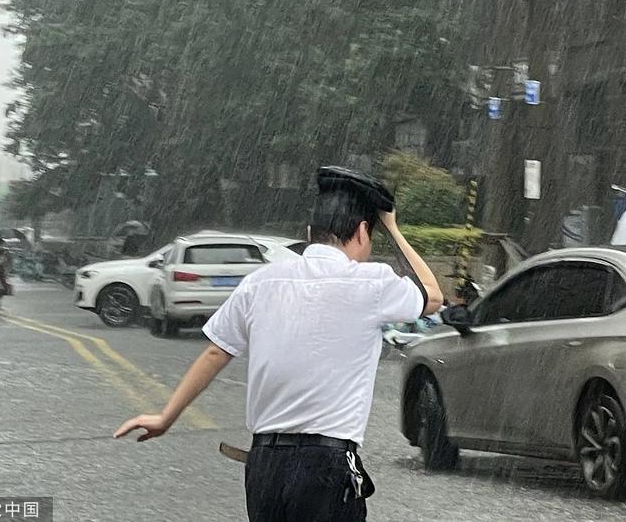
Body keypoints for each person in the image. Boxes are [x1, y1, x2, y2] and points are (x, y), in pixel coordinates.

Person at [113, 166, 443, 521]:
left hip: (264, 467)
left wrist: (166, 416)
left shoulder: (260, 282)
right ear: (363, 231)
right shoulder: (371, 283)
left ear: (309, 233)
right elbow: (434, 297)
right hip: (325, 466)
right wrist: (392, 227)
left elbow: (215, 351)